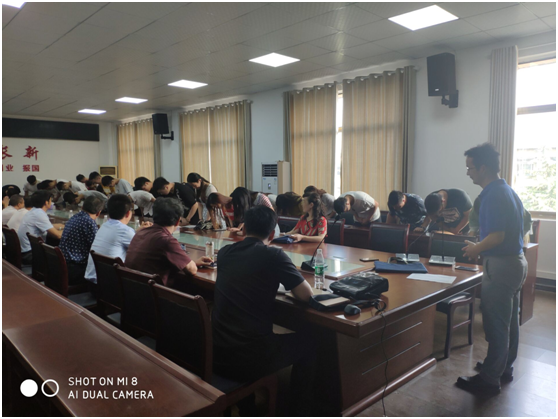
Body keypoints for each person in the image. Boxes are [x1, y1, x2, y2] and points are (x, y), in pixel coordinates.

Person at [212, 206, 315, 416]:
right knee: (311, 343)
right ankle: (297, 410)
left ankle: (247, 404)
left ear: (243, 229)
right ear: (272, 234)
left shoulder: (224, 252)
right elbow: (306, 295)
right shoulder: (274, 255)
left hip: (216, 351)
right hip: (251, 357)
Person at [456, 143, 528, 395]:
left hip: (501, 266)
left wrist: (476, 248)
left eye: (470, 168)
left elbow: (497, 236)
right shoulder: (506, 190)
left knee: (497, 324)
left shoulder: (493, 194)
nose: (468, 173)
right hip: (515, 262)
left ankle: (489, 379)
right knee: (509, 322)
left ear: (483, 168)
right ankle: (502, 367)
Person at [125, 197, 212, 287]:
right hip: (151, 293)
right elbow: (192, 270)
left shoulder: (141, 232)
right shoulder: (166, 240)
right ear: (178, 221)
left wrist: (190, 262)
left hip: (131, 288)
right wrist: (191, 264)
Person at [84, 195, 151, 290]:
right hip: (110, 288)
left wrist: (138, 231)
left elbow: (121, 237)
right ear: (128, 213)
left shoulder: (104, 225)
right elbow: (146, 251)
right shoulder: (125, 231)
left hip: (93, 284)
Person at [59, 196, 104, 285]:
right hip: (75, 270)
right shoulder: (89, 222)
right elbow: (96, 248)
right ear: (98, 213)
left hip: (62, 265)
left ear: (82, 207)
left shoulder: (74, 217)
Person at [17, 190, 64, 264]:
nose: (51, 203)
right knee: (61, 256)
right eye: (51, 201)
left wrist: (63, 226)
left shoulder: (34, 211)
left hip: (26, 250)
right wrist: (69, 230)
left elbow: (48, 226)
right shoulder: (39, 214)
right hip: (30, 253)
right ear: (46, 202)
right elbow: (58, 235)